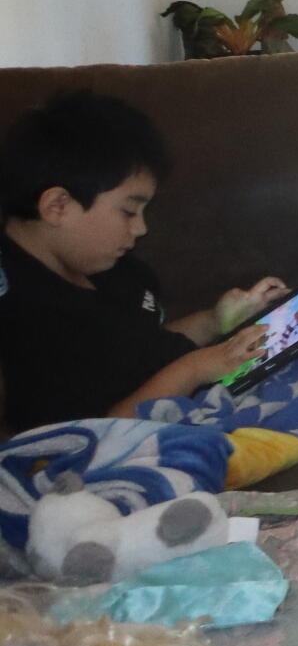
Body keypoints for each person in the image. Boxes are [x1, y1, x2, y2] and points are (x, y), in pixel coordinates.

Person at [0, 92, 283, 431]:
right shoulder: (29, 320)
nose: (141, 228)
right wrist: (195, 369)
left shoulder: (98, 262)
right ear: (58, 206)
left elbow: (139, 349)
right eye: (128, 211)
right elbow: (85, 436)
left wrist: (214, 321)